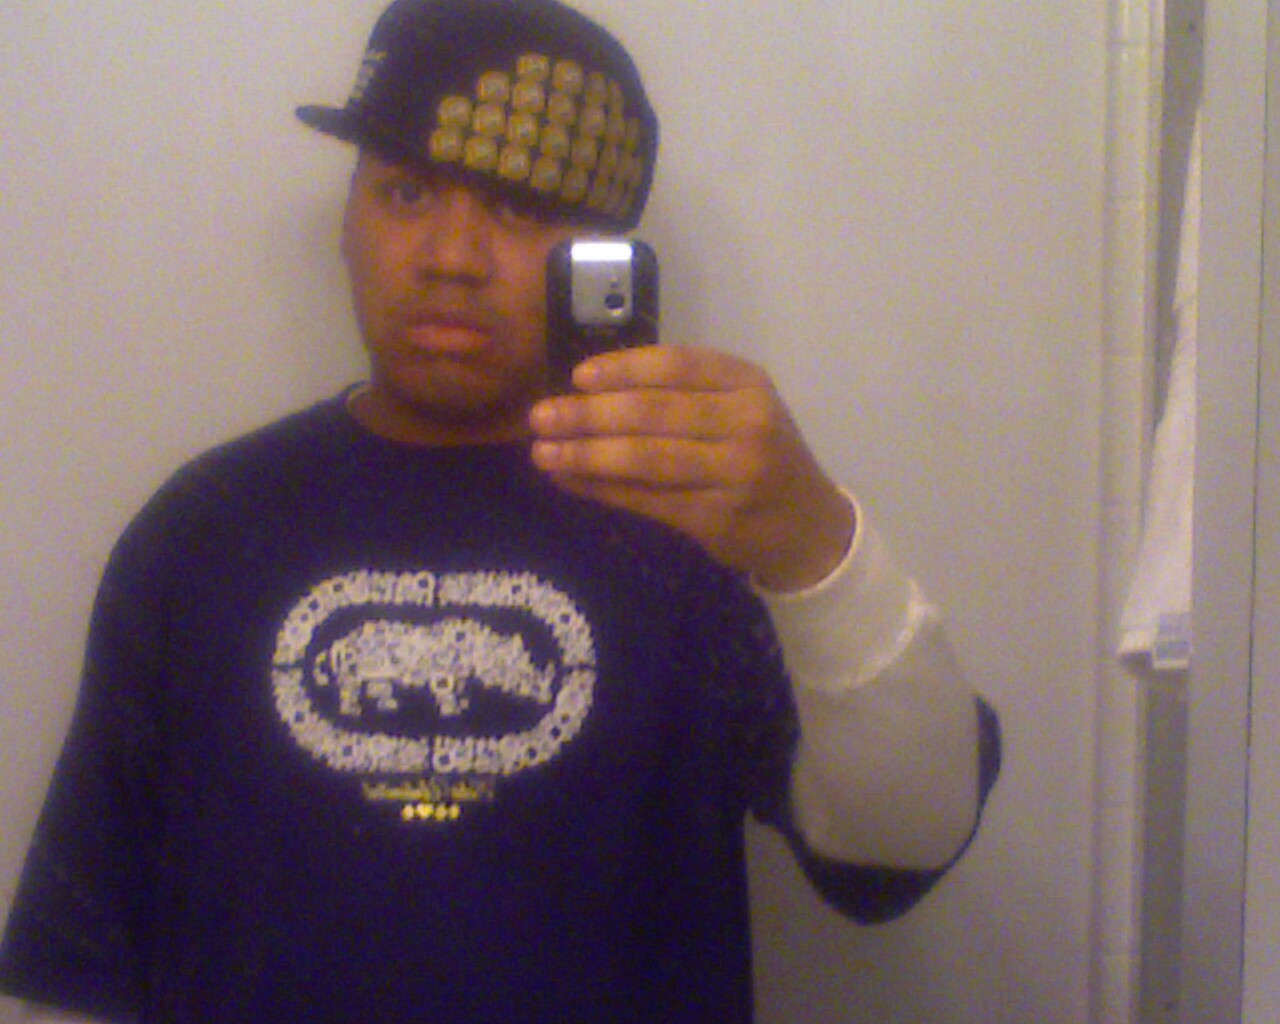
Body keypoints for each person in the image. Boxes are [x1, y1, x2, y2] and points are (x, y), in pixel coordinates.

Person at [0, 0, 1000, 1021]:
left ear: (601, 261)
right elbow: (77, 959)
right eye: (404, 190)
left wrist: (816, 548)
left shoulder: (690, 529)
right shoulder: (205, 529)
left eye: (519, 209)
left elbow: (898, 849)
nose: (452, 255)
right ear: (346, 222)